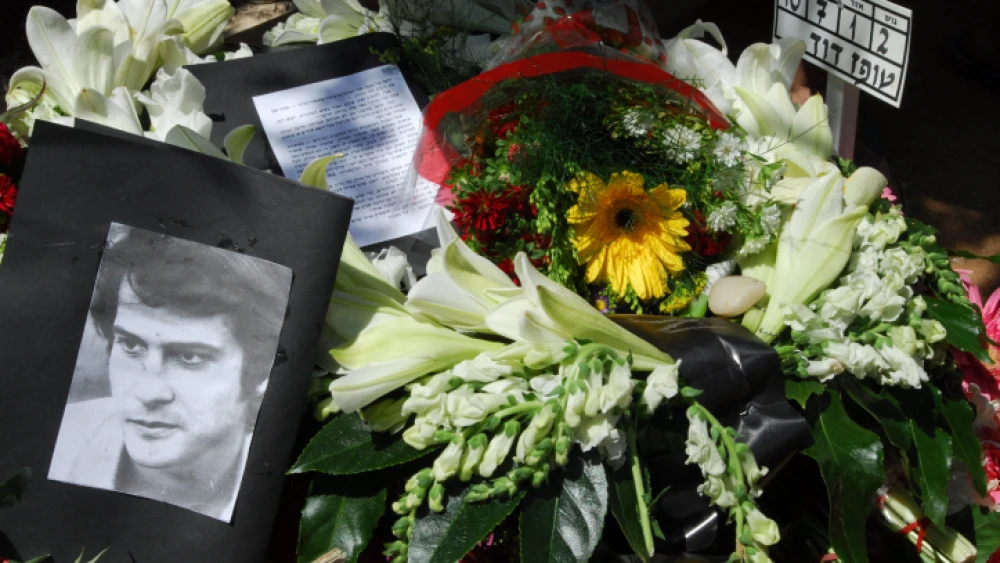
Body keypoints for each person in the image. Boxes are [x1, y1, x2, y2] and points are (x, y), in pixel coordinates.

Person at [48, 227, 290, 522]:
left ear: (262, 371)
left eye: (190, 357)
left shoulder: (284, 488)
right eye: (131, 345)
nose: (148, 392)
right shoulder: (56, 446)